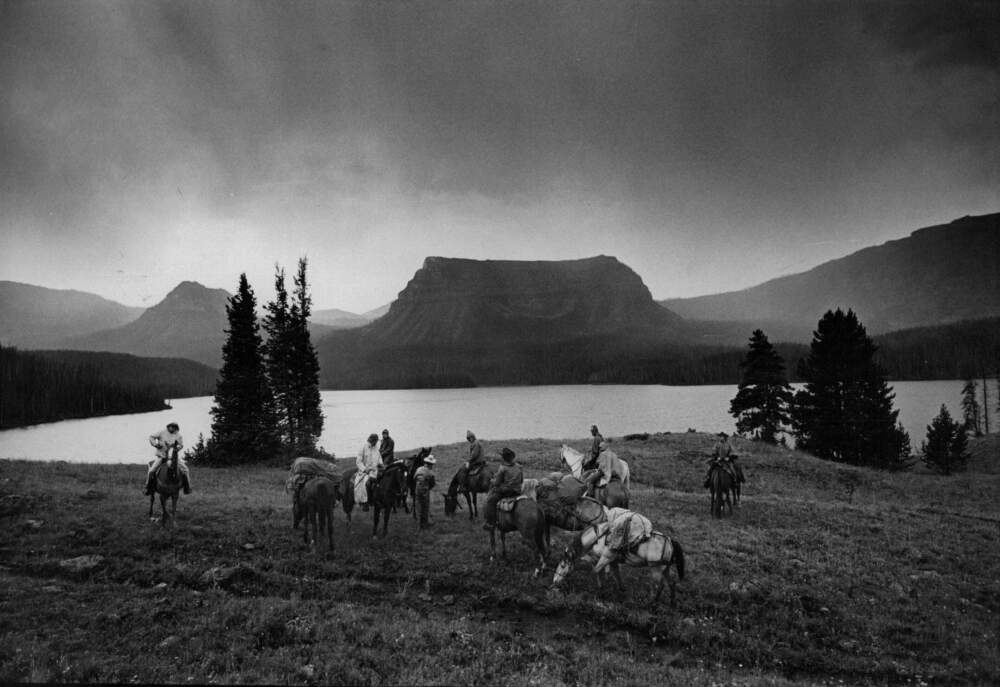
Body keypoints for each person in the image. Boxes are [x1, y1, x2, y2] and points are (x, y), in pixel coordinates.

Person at [483, 447, 523, 532]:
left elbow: (497, 483)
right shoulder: (519, 466)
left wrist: (492, 481)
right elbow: (522, 480)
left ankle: (490, 523)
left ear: (504, 458)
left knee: (490, 501)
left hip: (506, 491)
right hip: (518, 490)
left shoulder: (502, 468)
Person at [145, 422, 191, 495]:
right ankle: (148, 487)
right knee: (151, 471)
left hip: (173, 457)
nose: (172, 428)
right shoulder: (161, 432)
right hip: (162, 456)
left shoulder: (178, 435)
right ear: (168, 426)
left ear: (176, 428)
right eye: (171, 426)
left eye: (174, 427)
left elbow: (181, 445)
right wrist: (155, 444)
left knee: (186, 469)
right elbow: (151, 437)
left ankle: (187, 488)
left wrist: (177, 448)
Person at [355, 433, 383, 511]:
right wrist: (364, 469)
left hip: (375, 471)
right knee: (366, 483)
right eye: (375, 441)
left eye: (376, 442)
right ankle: (365, 502)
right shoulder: (363, 447)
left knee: (383, 480)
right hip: (365, 472)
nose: (375, 443)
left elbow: (379, 458)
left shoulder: (376, 449)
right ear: (371, 440)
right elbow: (358, 462)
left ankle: (380, 500)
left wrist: (381, 464)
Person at [414, 454, 437, 529]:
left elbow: (414, 478)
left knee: (418, 507)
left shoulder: (418, 469)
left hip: (417, 490)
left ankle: (418, 525)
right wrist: (428, 487)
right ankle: (424, 524)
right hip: (425, 491)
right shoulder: (430, 473)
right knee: (425, 507)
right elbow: (433, 483)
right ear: (430, 464)